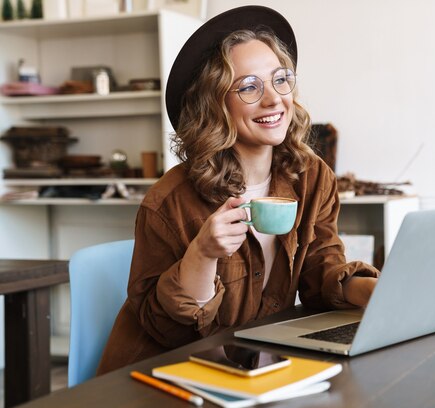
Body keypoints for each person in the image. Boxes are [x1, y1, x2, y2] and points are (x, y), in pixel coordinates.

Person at [97, 5, 379, 374]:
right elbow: (165, 331)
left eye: (281, 79)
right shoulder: (169, 202)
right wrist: (202, 253)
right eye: (249, 87)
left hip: (246, 372)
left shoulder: (311, 177)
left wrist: (377, 293)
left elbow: (319, 272)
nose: (274, 99)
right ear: (214, 104)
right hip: (157, 379)